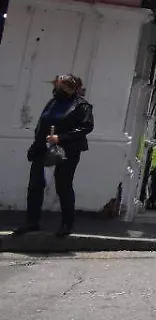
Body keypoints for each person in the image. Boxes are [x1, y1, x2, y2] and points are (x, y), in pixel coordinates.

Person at [14, 75, 94, 237]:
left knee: (63, 186)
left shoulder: (81, 106)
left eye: (62, 87)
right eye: (57, 87)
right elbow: (41, 125)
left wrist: (61, 138)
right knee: (35, 184)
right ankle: (32, 222)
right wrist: (36, 145)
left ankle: (67, 224)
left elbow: (86, 127)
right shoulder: (53, 103)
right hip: (44, 147)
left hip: (67, 150)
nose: (58, 90)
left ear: (72, 89)